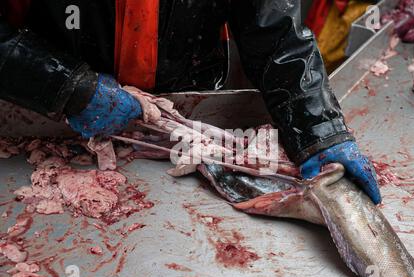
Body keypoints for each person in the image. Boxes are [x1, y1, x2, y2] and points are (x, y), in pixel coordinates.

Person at [0, 0, 381, 204]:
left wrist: (319, 128)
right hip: (42, 114)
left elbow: (274, 29)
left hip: (189, 111)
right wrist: (66, 84)